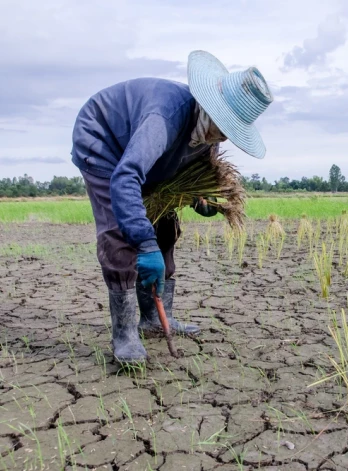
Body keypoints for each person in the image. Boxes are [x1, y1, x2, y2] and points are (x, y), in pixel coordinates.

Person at [70, 50, 273, 363]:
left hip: (141, 158)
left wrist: (197, 200)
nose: (220, 136)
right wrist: (143, 243)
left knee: (165, 228)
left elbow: (176, 171)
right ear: (207, 105)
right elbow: (125, 177)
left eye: (228, 131)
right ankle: (124, 335)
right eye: (220, 124)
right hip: (104, 141)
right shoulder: (164, 118)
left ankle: (154, 319)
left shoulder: (209, 135)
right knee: (119, 232)